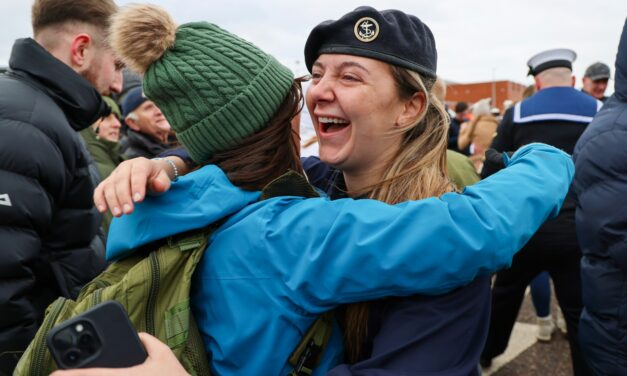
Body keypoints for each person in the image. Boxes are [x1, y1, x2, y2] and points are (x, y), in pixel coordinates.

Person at [71, 5, 571, 376]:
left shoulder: (437, 237)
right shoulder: (307, 192)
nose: (317, 91)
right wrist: (171, 162)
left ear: (411, 107)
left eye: (349, 76)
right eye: (314, 75)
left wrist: (173, 162)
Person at [0, 0, 123, 372]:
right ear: (82, 50)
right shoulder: (25, 124)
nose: (117, 84)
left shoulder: (37, 113)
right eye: (117, 64)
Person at [480, 48, 597, 375]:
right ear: (573, 79)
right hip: (577, 229)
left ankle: (487, 354)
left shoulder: (517, 113)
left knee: (503, 296)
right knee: (577, 311)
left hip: (525, 228)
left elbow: (493, 168)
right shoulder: (599, 110)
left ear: (538, 82)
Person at [572, 19, 627, 375]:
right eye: (597, 82)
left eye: (604, 82)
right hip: (577, 221)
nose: (600, 87)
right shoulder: (607, 127)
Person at [80, 96, 126, 235]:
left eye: (117, 118)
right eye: (106, 117)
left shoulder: (122, 162)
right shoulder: (88, 171)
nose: (117, 124)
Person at [119, 86, 172, 159]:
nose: (159, 111)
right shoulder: (134, 158)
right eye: (148, 107)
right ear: (132, 123)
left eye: (159, 104)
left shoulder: (180, 138)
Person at [457, 98, 499, 172]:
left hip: (476, 162)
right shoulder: (497, 125)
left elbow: (461, 144)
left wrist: (463, 130)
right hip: (493, 162)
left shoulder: (472, 125)